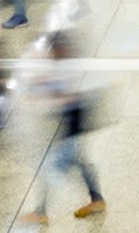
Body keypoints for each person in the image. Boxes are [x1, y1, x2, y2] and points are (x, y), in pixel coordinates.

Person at [19, 33, 107, 222]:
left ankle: (40, 212)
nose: (51, 53)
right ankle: (97, 199)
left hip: (72, 129)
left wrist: (47, 94)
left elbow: (65, 96)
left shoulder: (70, 69)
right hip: (72, 128)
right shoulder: (68, 66)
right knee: (81, 163)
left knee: (49, 168)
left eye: (54, 49)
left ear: (62, 49)